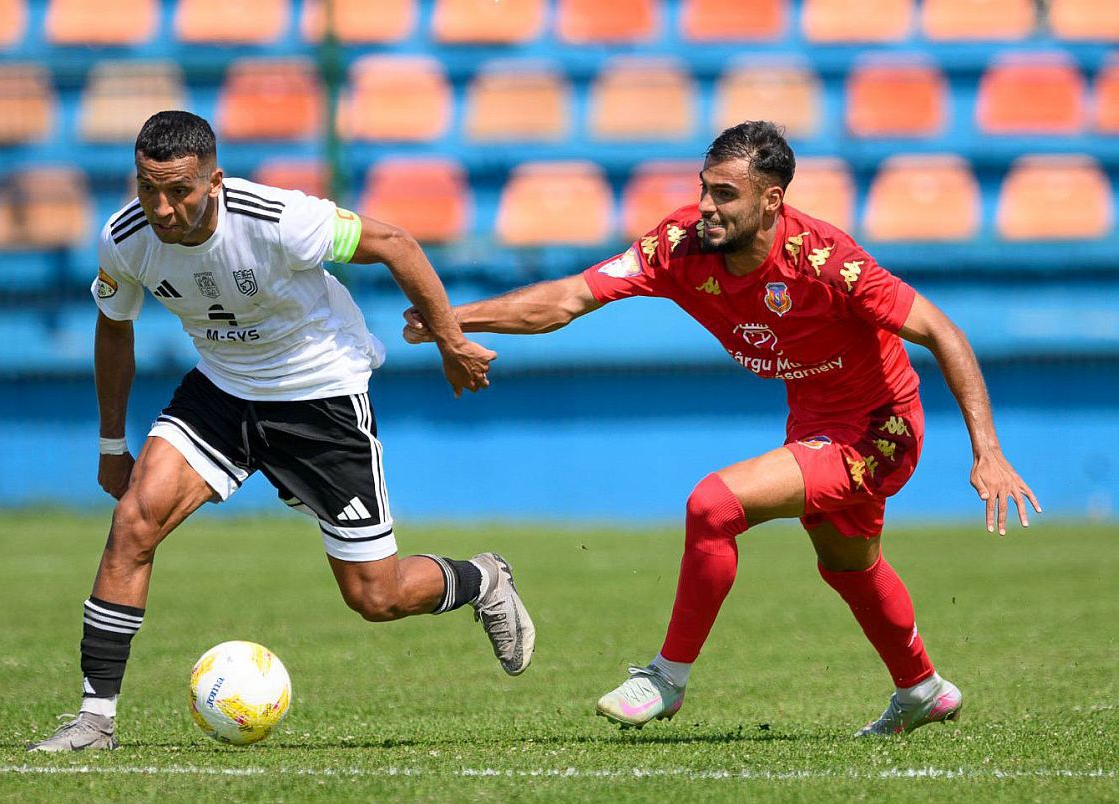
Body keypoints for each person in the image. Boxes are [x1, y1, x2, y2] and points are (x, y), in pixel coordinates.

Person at [403, 121, 1039, 737]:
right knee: (848, 564)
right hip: (814, 420)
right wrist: (452, 320)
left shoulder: (826, 261)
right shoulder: (678, 246)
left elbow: (942, 332)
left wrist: (988, 452)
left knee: (714, 505)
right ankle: (922, 689)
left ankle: (666, 678)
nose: (705, 206)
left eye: (725, 194)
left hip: (878, 429)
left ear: (771, 201)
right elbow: (568, 298)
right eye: (704, 188)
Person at [27, 111, 535, 752]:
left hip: (319, 394)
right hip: (222, 390)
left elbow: (397, 244)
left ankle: (483, 578)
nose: (162, 208)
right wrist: (111, 444)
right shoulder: (124, 238)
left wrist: (451, 341)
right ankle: (94, 720)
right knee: (134, 522)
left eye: (179, 190)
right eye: (148, 188)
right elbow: (114, 328)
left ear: (214, 181)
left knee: (376, 597)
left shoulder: (278, 219)